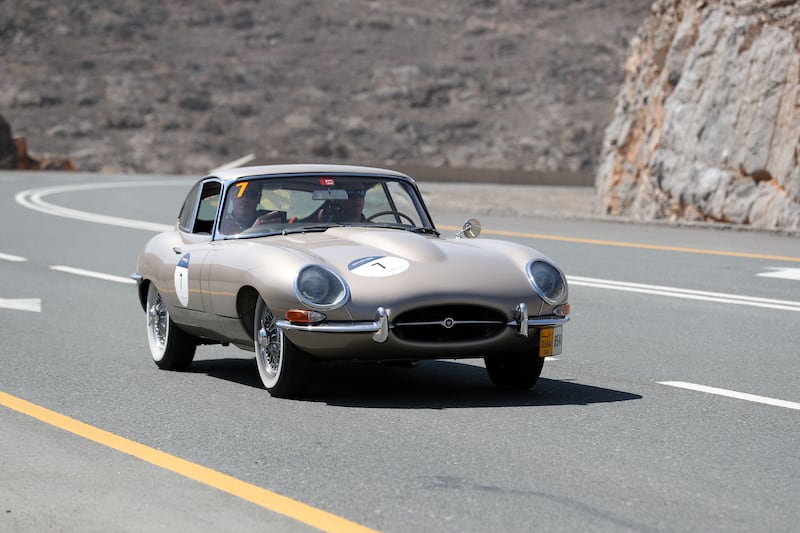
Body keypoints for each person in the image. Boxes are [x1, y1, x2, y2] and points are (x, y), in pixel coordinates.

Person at [219, 182, 283, 234]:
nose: (244, 199)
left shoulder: (270, 221)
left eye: (251, 194)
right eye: (239, 193)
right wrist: (253, 231)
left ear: (259, 198)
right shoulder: (222, 224)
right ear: (232, 196)